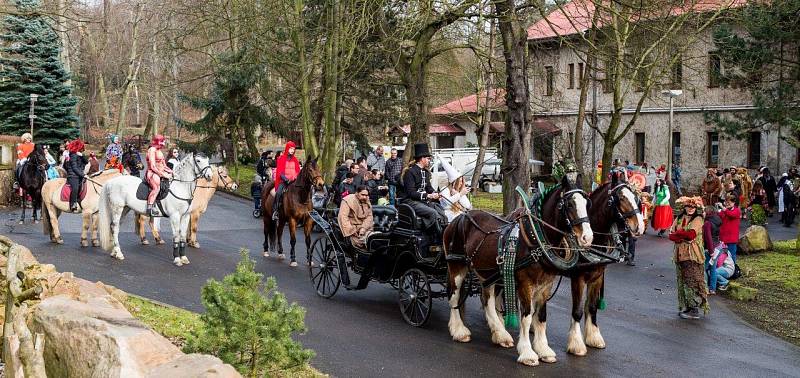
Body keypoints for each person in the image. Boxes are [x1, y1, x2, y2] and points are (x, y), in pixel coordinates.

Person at [669, 196, 708, 320]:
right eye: (688, 206)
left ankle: (694, 308)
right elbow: (671, 236)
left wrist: (679, 234)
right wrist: (681, 235)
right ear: (684, 207)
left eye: (693, 207)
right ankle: (688, 306)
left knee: (693, 279)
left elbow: (691, 235)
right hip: (680, 255)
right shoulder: (679, 218)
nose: (690, 209)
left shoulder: (698, 219)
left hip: (693, 255)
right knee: (683, 281)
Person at [398, 143, 446, 243]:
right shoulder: (410, 173)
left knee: (440, 211)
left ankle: (443, 235)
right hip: (410, 202)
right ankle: (437, 239)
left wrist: (436, 193)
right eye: (428, 158)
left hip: (422, 201)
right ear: (422, 158)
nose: (429, 160)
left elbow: (428, 187)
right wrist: (428, 195)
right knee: (432, 213)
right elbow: (411, 193)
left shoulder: (426, 172)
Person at [145, 134, 172, 217]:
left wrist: (171, 171)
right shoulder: (152, 150)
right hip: (152, 172)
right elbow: (153, 166)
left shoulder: (159, 150)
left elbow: (164, 165)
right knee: (156, 187)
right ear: (158, 141)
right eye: (162, 141)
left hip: (160, 171)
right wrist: (162, 174)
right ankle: (150, 207)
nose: (164, 143)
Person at [272, 141, 301, 220]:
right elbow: (280, 172)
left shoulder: (295, 160)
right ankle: (275, 211)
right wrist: (286, 179)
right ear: (287, 148)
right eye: (291, 148)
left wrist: (296, 178)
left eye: (293, 149)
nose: (292, 150)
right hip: (284, 181)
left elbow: (298, 171)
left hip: (293, 182)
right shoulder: (281, 158)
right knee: (278, 193)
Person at [438, 158, 472, 223]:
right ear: (454, 182)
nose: (461, 183)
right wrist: (459, 195)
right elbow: (446, 204)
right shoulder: (445, 189)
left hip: (459, 214)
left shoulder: (459, 191)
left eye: (462, 181)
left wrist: (460, 195)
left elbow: (468, 206)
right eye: (459, 181)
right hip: (448, 215)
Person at [65, 139, 88, 213]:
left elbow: (86, 162)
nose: (82, 149)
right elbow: (74, 168)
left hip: (79, 174)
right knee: (75, 187)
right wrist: (83, 175)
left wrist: (82, 155)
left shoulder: (79, 154)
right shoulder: (73, 155)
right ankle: (73, 204)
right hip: (73, 175)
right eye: (81, 148)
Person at [719, 194, 741, 262]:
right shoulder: (724, 211)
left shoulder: (737, 210)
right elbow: (719, 217)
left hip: (732, 239)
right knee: (723, 255)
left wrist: (723, 209)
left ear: (733, 202)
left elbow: (731, 215)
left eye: (729, 202)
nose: (727, 204)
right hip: (723, 238)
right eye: (726, 202)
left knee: (732, 255)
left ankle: (733, 270)